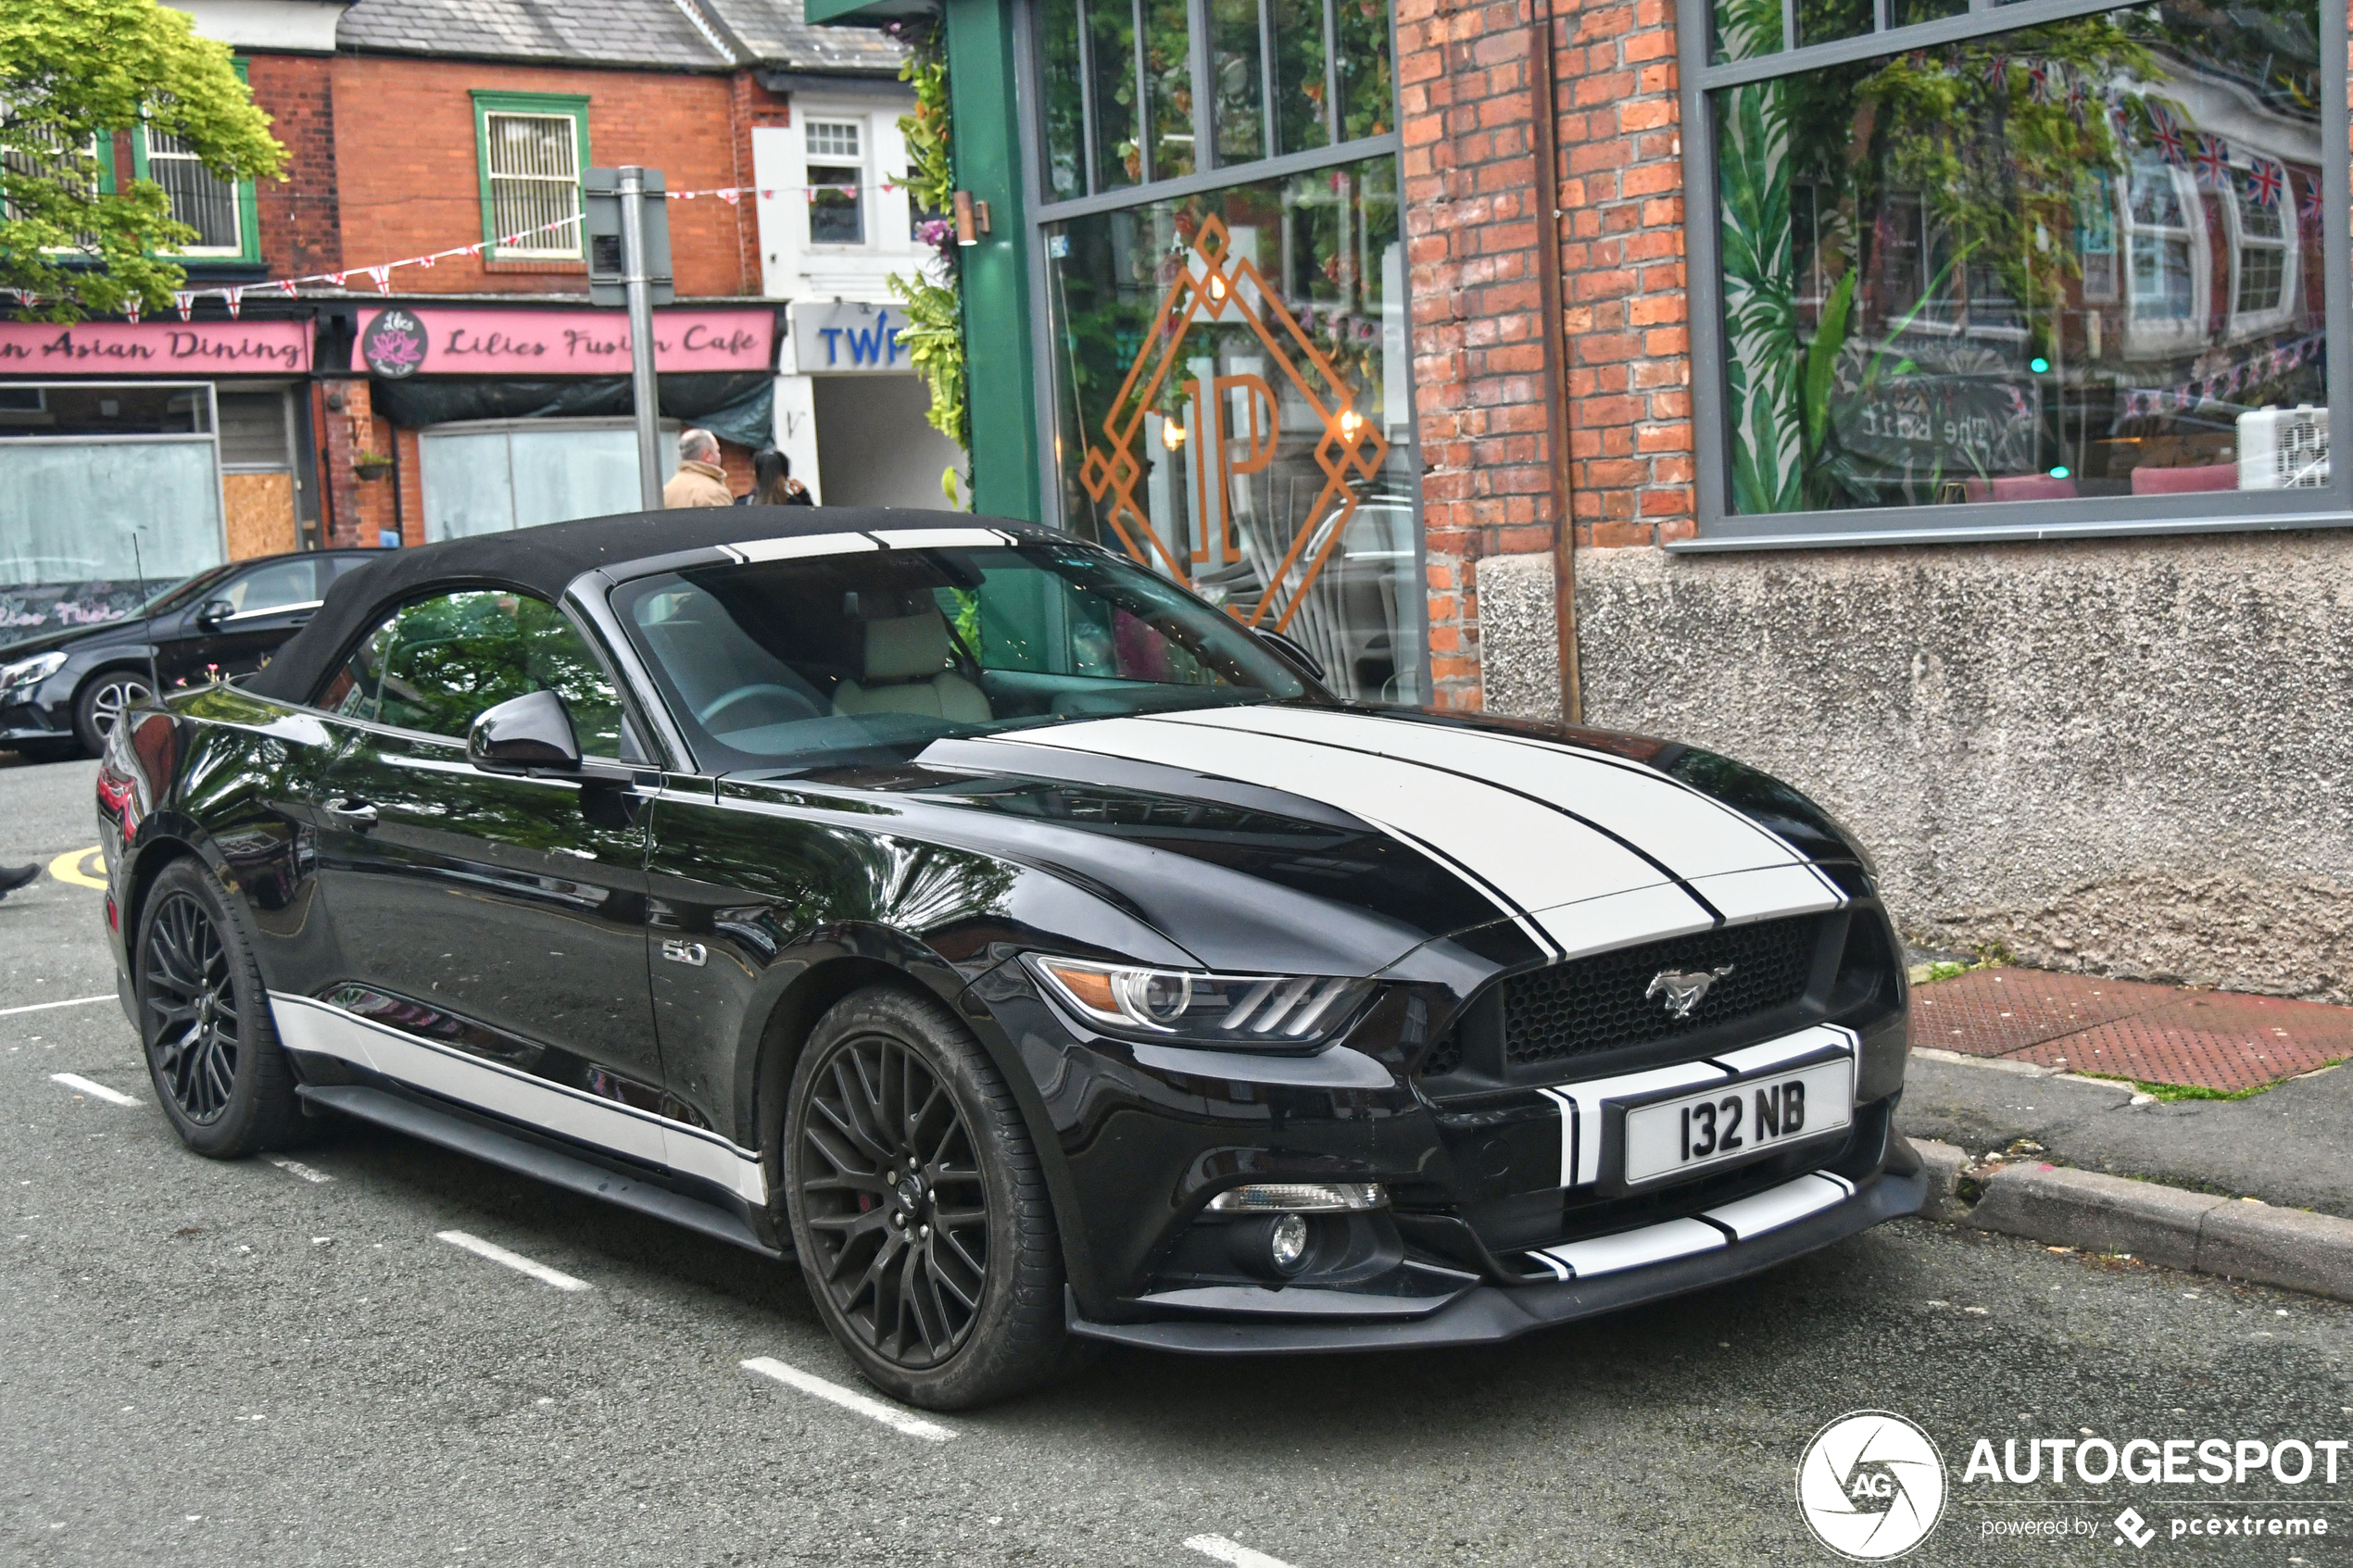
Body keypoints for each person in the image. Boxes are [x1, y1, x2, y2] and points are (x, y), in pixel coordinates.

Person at [662, 428, 733, 508]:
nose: (719, 455)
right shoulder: (714, 493)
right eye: (717, 451)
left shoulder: (667, 491)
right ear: (707, 456)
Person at [736, 447, 813, 507]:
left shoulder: (742, 505)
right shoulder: (796, 506)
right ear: (786, 477)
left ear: (756, 476)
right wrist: (804, 496)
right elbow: (812, 522)